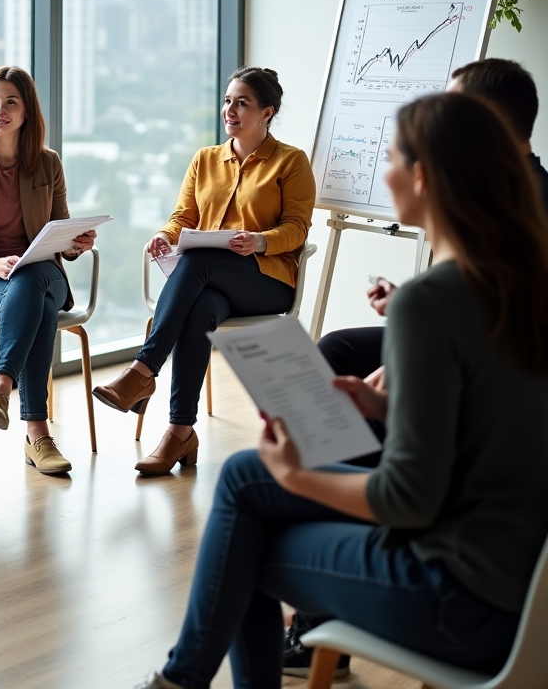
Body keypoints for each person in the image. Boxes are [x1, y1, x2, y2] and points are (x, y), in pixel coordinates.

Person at [136, 91, 548, 689]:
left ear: (425, 176)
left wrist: (298, 474)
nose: (383, 173)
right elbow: (487, 416)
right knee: (244, 485)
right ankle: (182, 679)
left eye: (391, 158)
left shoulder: (431, 303)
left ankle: (181, 680)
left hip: (457, 600)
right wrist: (382, 403)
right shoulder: (518, 285)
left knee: (245, 522)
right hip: (519, 588)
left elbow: (409, 499)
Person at [283, 56, 548, 677]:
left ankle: (335, 544)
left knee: (331, 414)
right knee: (343, 350)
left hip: (491, 359)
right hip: (467, 338)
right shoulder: (500, 182)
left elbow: (492, 320)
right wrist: (406, 310)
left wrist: (406, 366)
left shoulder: (520, 194)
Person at [93, 67, 315, 475]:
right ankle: (180, 432)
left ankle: (142, 371)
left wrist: (261, 241)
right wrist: (164, 235)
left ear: (267, 112)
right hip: (213, 281)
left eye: (242, 102)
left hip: (266, 281)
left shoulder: (291, 162)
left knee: (196, 261)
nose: (230, 109)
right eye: (228, 100)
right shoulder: (205, 159)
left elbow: (297, 230)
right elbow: (184, 216)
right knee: (200, 308)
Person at [0, 66, 96, 475]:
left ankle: (1, 385)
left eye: (11, 102)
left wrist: (76, 245)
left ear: (28, 111)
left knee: (32, 280)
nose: (0, 110)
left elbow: (60, 229)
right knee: (38, 307)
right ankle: (37, 435)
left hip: (43, 273)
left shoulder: (48, 164)